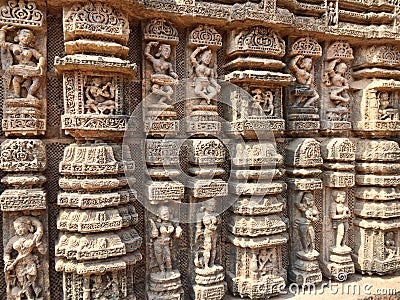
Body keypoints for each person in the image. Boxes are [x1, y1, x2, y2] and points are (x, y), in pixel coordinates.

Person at [4, 216, 46, 300]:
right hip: (18, 263)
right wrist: (7, 261)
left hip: (30, 261)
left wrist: (37, 243)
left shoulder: (32, 237)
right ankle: (29, 297)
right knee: (22, 282)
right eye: (17, 228)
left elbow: (43, 251)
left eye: (21, 227)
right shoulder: (13, 239)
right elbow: (6, 252)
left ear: (28, 227)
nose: (19, 230)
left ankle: (35, 296)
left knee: (31, 280)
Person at [0, 25, 45, 99]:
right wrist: (3, 30)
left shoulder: (31, 50)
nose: (26, 38)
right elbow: (2, 43)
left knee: (37, 80)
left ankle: (30, 94)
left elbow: (40, 57)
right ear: (18, 36)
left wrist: (40, 64)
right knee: (15, 80)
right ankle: (17, 95)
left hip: (31, 67)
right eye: (24, 36)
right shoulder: (13, 46)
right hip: (20, 67)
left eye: (29, 37)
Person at [149, 206, 182, 274]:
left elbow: (176, 231)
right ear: (159, 215)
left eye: (167, 214)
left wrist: (178, 231)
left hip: (167, 243)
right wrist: (154, 232)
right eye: (163, 214)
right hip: (158, 243)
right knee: (159, 258)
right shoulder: (158, 224)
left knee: (168, 257)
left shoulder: (171, 223)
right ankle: (162, 270)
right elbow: (152, 235)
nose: (166, 216)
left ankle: (169, 270)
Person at [195, 199, 220, 269]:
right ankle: (206, 265)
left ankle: (212, 263)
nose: (212, 207)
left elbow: (219, 222)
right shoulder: (201, 215)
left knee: (214, 248)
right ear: (205, 205)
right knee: (208, 248)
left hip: (214, 233)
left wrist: (216, 224)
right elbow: (198, 227)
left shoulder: (216, 214)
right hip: (206, 234)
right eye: (210, 205)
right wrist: (197, 238)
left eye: (214, 205)